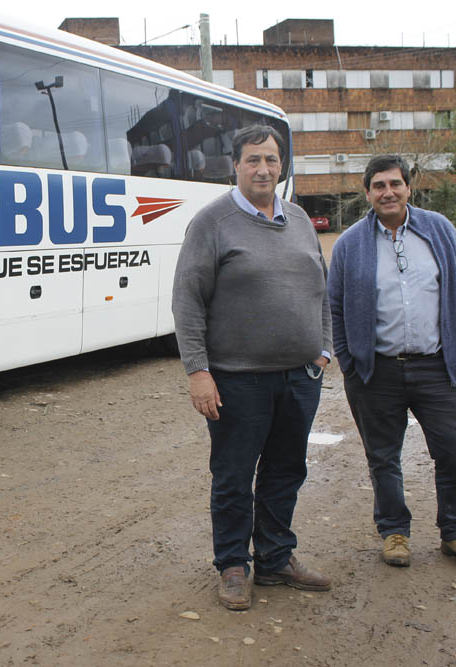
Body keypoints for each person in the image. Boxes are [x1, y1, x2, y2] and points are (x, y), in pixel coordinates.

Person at [172, 124, 333, 611]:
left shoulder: (301, 219)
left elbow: (320, 291)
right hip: (237, 381)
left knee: (286, 471)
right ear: (235, 165)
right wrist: (198, 371)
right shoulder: (212, 222)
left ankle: (276, 558)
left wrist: (323, 349)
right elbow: (187, 301)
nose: (263, 168)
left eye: (271, 159)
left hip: (300, 378)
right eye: (252, 160)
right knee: (234, 475)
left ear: (282, 165)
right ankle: (233, 566)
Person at [328, 154, 456, 571]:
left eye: (395, 184)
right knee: (383, 457)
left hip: (439, 368)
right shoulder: (350, 244)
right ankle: (394, 532)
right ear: (367, 193)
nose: (388, 192)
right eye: (379, 185)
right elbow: (334, 307)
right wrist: (350, 361)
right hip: (375, 372)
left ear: (408, 187)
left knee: (454, 452)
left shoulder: (439, 230)